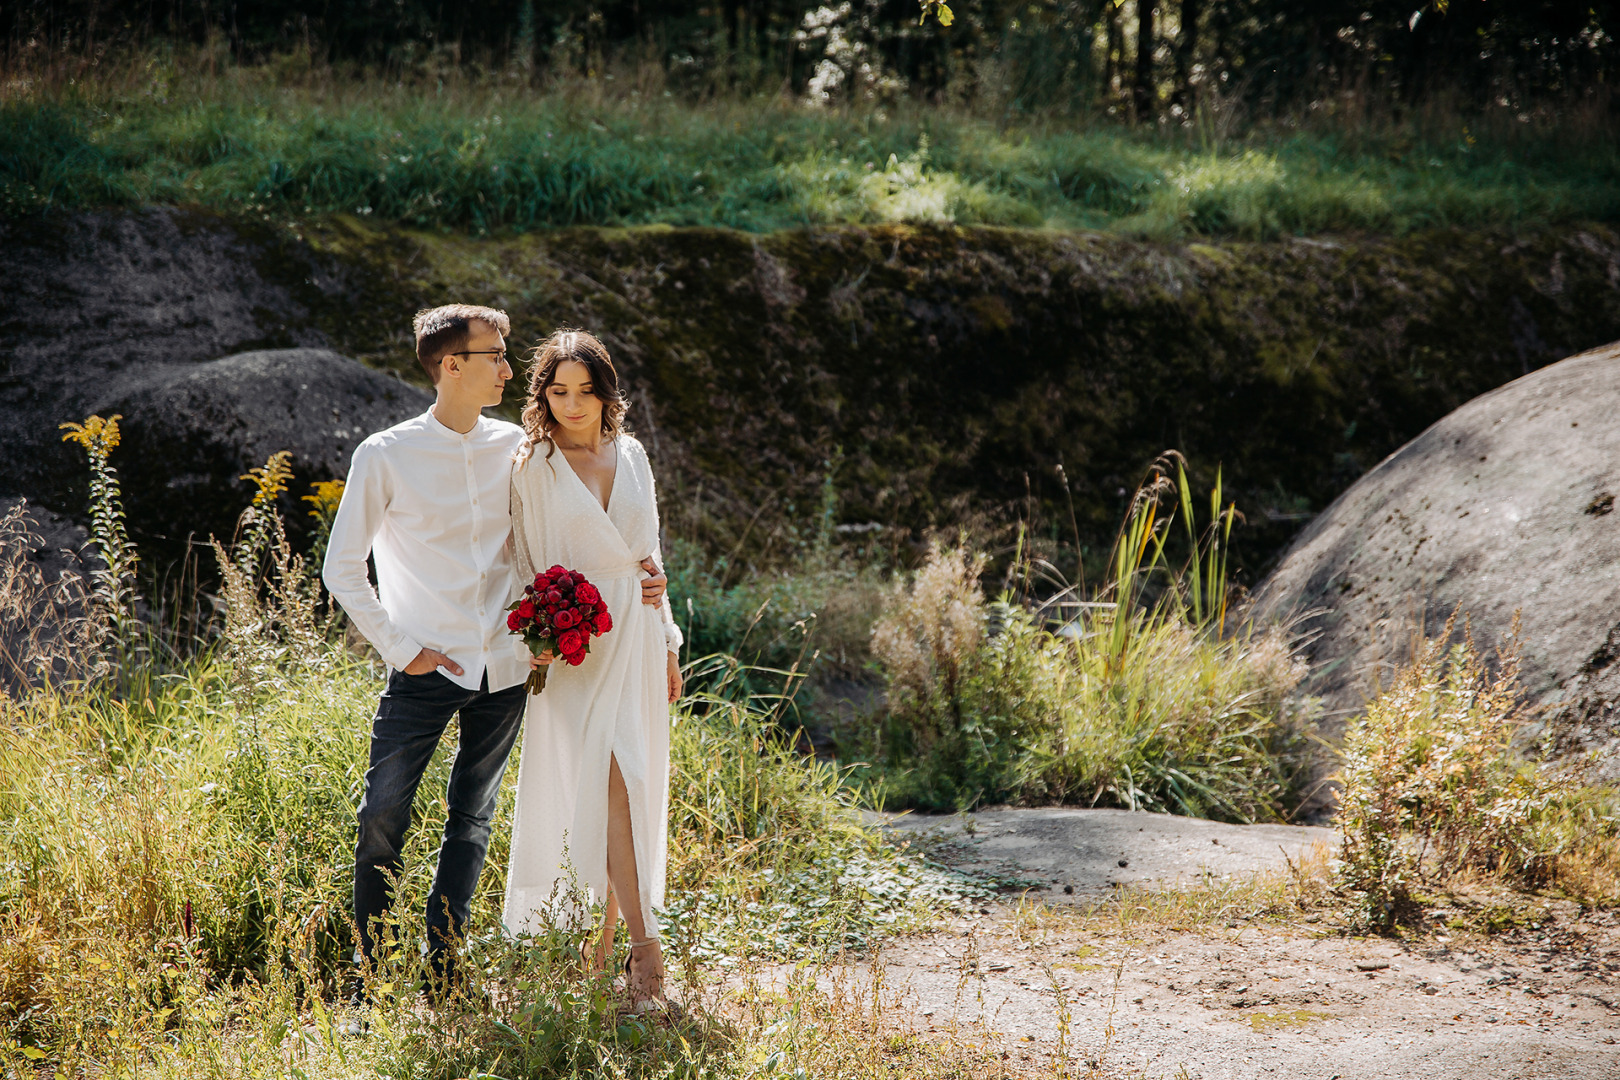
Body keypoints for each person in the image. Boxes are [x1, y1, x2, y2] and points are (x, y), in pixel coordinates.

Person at [323, 305, 668, 1010]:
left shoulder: (517, 447)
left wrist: (645, 584)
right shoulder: (385, 455)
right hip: (427, 667)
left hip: (509, 670)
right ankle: (365, 980)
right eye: (495, 356)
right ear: (452, 365)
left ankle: (444, 974)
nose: (509, 371)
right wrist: (402, 649)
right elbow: (342, 570)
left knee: (472, 822)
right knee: (382, 819)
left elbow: (552, 545)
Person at [502, 329, 684, 1012]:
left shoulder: (632, 455)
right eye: (559, 391)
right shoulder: (535, 465)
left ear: (606, 392)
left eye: (585, 391)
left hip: (634, 634)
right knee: (610, 783)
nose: (572, 405)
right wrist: (537, 634)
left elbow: (650, 554)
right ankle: (646, 952)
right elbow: (523, 558)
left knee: (629, 786)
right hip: (577, 641)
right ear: (542, 394)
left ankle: (601, 945)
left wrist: (668, 640)